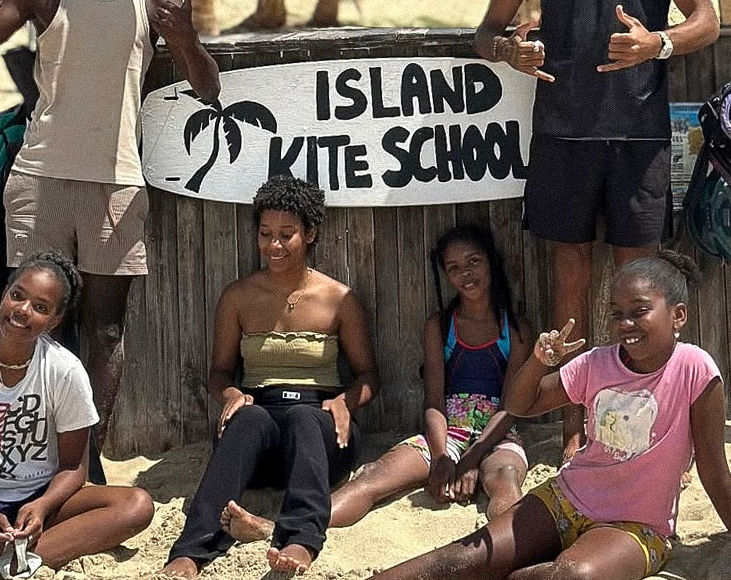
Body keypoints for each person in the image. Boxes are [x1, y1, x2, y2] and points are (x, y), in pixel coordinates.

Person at [272, 250, 731, 580]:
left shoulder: (696, 371)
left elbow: (712, 468)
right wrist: (535, 361)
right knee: (461, 557)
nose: (626, 323)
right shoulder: (598, 363)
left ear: (678, 315)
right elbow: (521, 403)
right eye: (616, 313)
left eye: (639, 310)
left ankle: (491, 578)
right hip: (567, 499)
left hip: (637, 525)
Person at [0, 0, 221, 454]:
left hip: (118, 184)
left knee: (106, 328)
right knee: (34, 322)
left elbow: (208, 89)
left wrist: (188, 39)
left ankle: (82, 457)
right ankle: (24, 447)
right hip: (40, 179)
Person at [474, 0, 719, 458]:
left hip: (637, 132)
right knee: (570, 280)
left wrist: (657, 45)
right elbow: (486, 29)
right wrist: (512, 51)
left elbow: (705, 19)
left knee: (639, 282)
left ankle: (645, 423)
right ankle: (576, 430)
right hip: (562, 132)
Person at [223, 224, 531, 549]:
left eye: (473, 262)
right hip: (446, 430)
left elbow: (512, 406)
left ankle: (515, 547)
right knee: (371, 480)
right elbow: (434, 402)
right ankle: (278, 528)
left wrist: (471, 460)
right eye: (454, 268)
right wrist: (441, 458)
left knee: (504, 479)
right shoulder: (440, 326)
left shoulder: (515, 329)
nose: (465, 274)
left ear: (491, 263)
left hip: (496, 433)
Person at [162, 175, 379, 578]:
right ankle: (191, 551)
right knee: (249, 419)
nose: (274, 246)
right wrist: (229, 394)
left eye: (286, 235)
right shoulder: (238, 296)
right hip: (259, 431)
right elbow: (220, 372)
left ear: (310, 233)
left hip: (319, 432)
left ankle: (301, 538)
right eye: (266, 234)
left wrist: (345, 402)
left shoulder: (339, 299)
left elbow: (368, 376)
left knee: (303, 418)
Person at [0, 250, 154, 580]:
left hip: (39, 506)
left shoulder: (64, 371)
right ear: (5, 294)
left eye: (40, 307)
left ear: (54, 321)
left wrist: (41, 507)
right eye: (17, 296)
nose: (23, 311)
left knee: (136, 505)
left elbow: (73, 469)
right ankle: (17, 556)